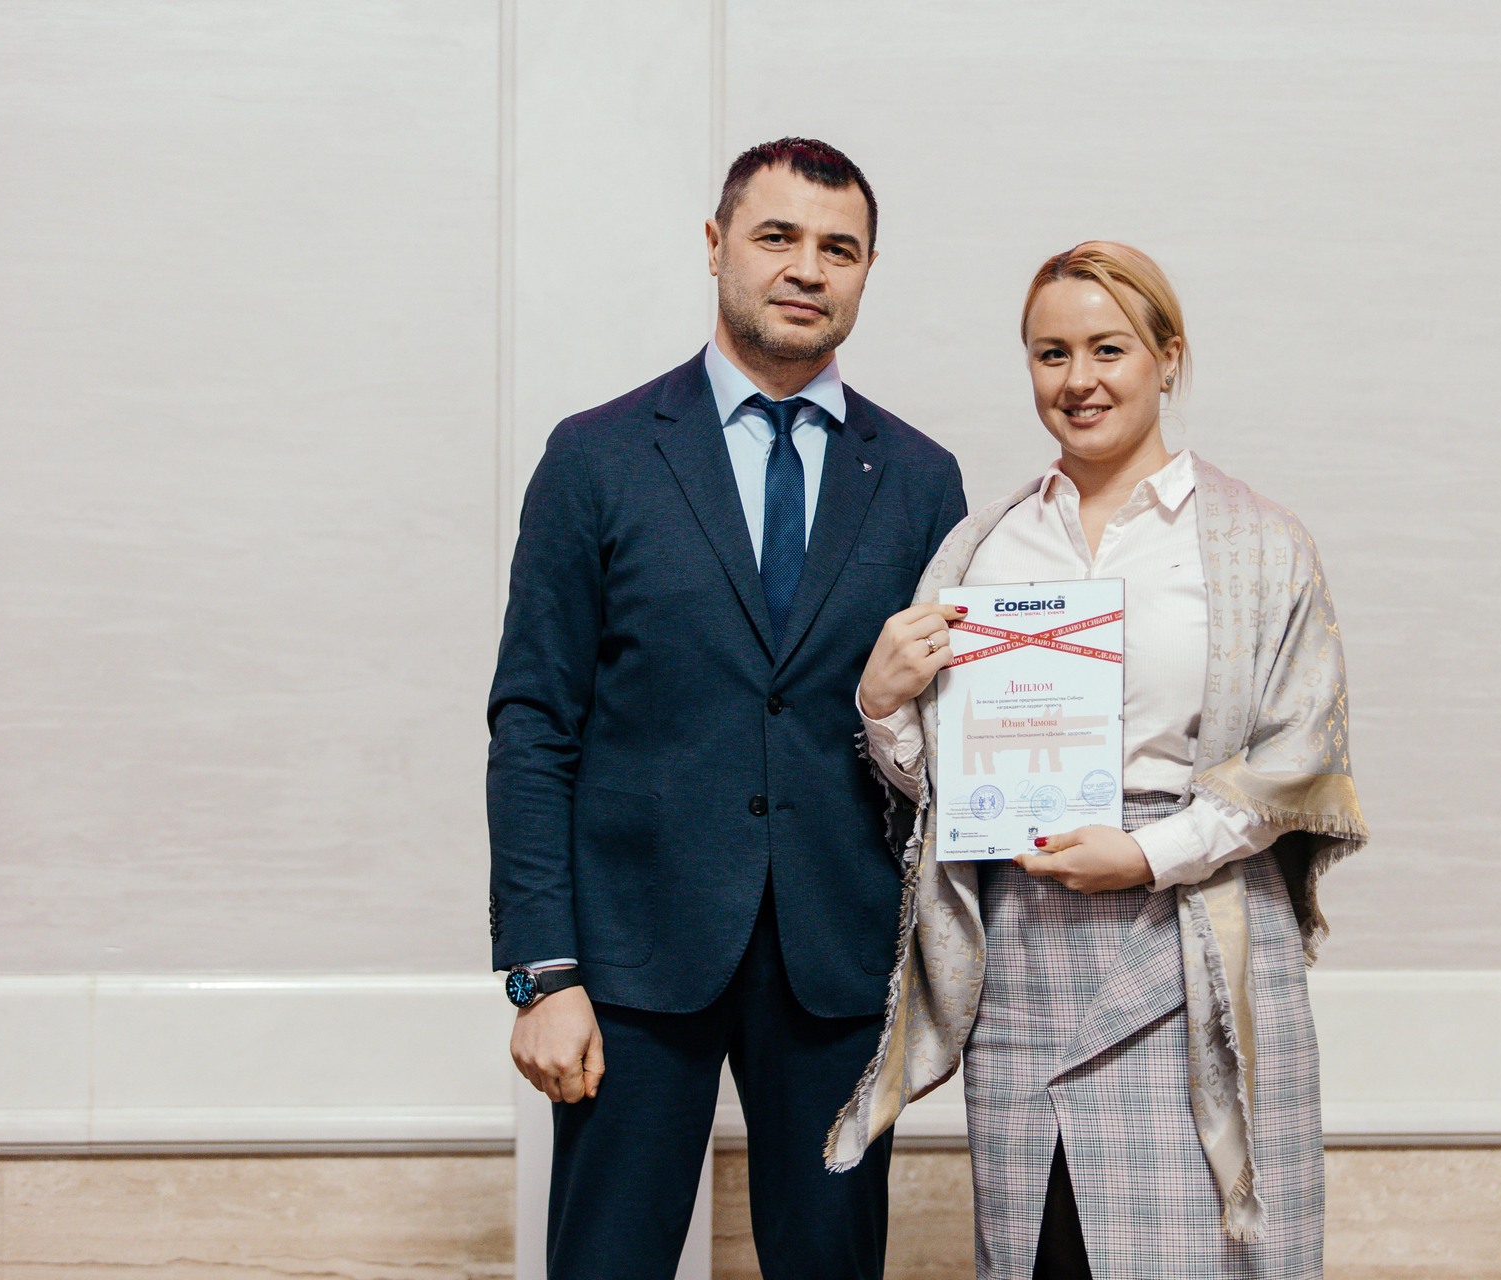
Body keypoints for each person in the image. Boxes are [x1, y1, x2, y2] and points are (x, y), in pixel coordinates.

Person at [827, 242, 1368, 1279]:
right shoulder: (985, 547)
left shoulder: (1260, 542)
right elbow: (946, 791)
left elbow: (1299, 755)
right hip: (1026, 951)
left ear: (1168, 357)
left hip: (1197, 937)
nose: (1078, 379)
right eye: (1051, 353)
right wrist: (884, 706)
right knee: (1046, 1250)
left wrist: (1150, 852)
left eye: (1108, 348)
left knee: (1206, 1253)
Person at [486, 137, 967, 1280]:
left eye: (839, 248)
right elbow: (534, 723)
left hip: (839, 956)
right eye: (777, 237)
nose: (807, 268)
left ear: (867, 269)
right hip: (630, 959)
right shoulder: (597, 457)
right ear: (716, 246)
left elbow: (945, 737)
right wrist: (543, 970)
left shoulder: (921, 478)